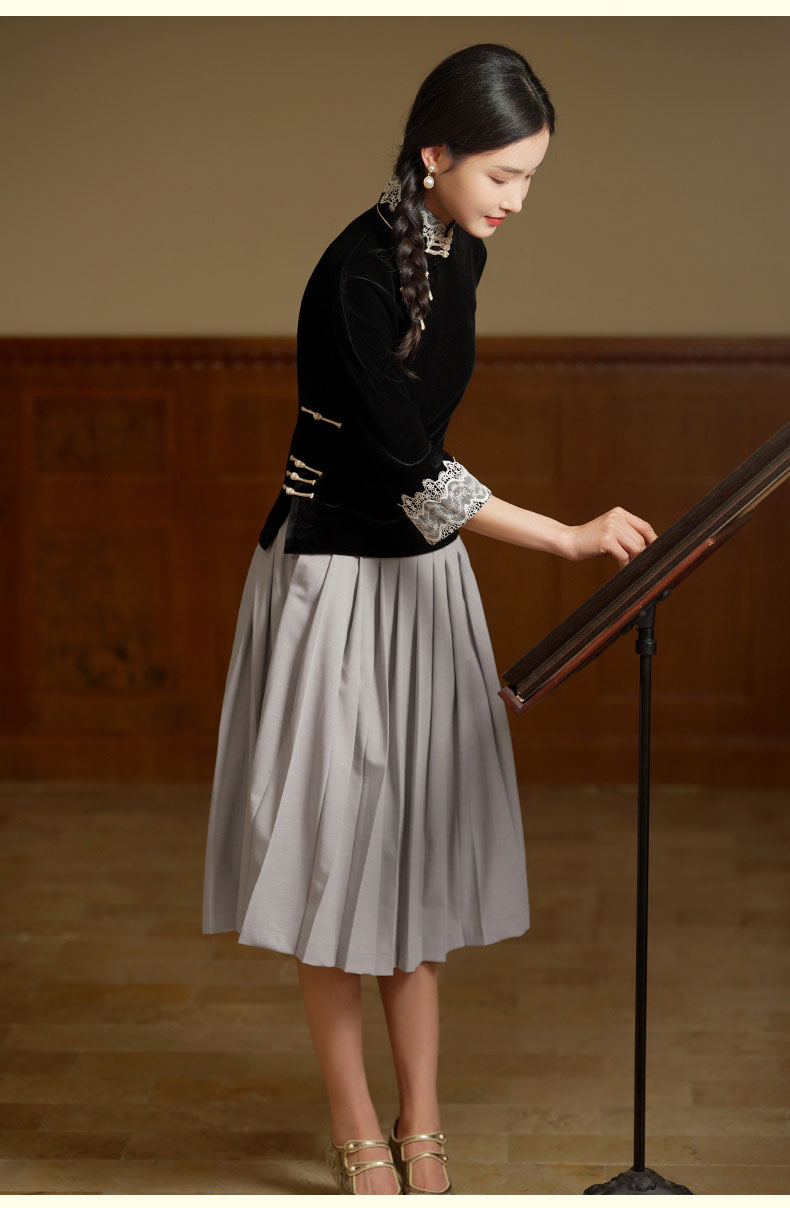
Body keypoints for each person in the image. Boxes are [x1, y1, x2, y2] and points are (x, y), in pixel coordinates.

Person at [202, 42, 656, 1196]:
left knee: (410, 863)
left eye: (531, 177)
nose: (518, 199)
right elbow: (412, 467)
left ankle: (424, 1115)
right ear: (434, 152)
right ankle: (357, 1123)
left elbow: (427, 461)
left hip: (424, 581)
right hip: (332, 584)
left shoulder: (460, 252)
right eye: (504, 174)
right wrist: (564, 536)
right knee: (331, 864)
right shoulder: (356, 273)